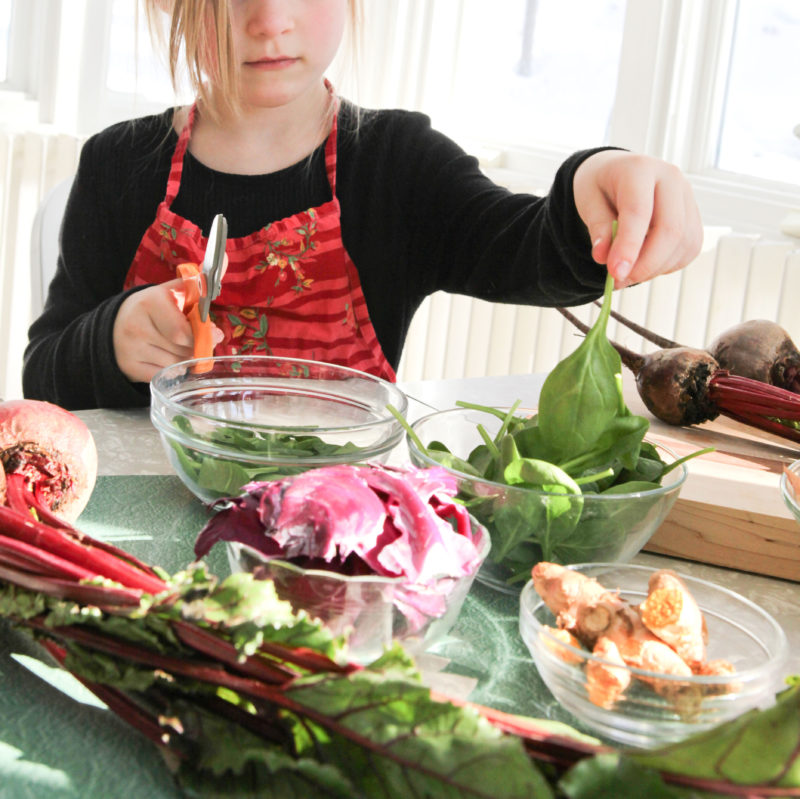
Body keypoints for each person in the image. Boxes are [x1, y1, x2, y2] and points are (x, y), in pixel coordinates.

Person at [22, 0, 702, 410]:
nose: (270, 21)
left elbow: (525, 249)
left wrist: (595, 182)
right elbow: (44, 376)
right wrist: (110, 340)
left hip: (334, 546)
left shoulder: (396, 165)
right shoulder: (117, 166)